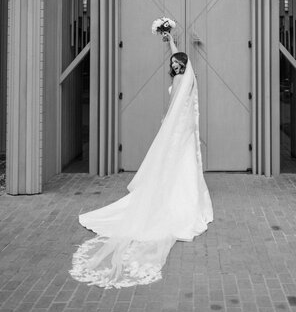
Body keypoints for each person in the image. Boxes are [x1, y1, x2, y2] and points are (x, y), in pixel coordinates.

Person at [70, 32, 213, 289]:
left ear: (182, 66)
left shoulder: (181, 78)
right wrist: (170, 41)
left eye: (176, 64)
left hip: (176, 128)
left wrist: (165, 124)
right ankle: (185, 201)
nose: (173, 67)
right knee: (182, 165)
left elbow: (174, 106)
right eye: (173, 65)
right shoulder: (188, 76)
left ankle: (175, 201)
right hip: (184, 130)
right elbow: (177, 61)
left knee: (176, 164)